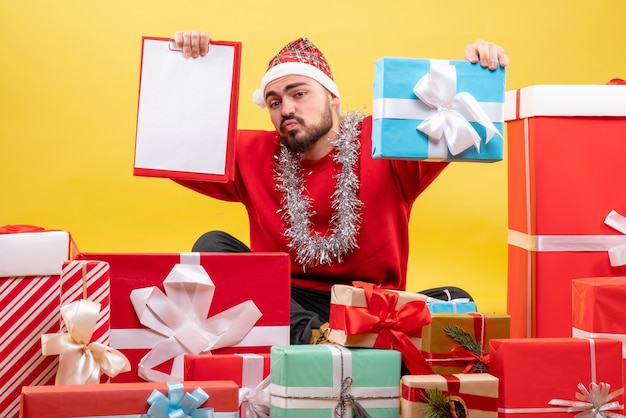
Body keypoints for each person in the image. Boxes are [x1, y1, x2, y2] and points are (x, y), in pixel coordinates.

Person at [172, 30, 509, 344]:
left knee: (458, 300)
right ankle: (319, 340)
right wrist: (189, 68)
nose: (286, 108)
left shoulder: (386, 139)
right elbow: (174, 149)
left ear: (332, 97)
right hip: (285, 303)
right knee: (212, 246)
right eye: (274, 102)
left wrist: (477, 72)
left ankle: (351, 342)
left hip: (373, 305)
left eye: (299, 94)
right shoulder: (252, 153)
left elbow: (461, 121)